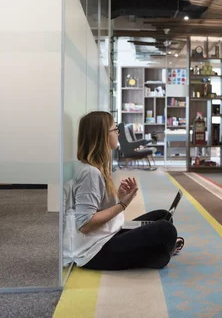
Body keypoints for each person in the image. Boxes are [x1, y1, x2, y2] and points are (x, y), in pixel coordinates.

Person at [67, 111, 183, 270]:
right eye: (115, 130)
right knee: (166, 229)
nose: (118, 133)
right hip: (95, 251)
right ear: (103, 135)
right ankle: (157, 254)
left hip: (108, 234)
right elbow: (85, 224)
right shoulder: (90, 173)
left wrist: (118, 196)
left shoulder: (96, 167)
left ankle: (157, 253)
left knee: (164, 215)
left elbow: (97, 208)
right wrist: (122, 204)